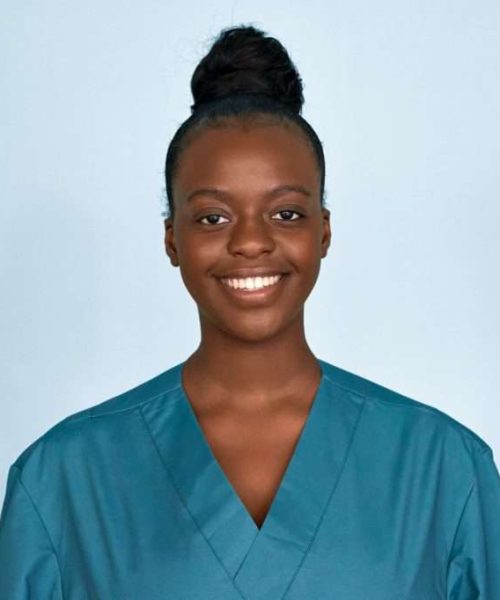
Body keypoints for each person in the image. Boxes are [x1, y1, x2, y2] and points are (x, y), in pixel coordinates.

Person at [0, 24, 499, 600]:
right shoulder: (63, 481)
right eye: (213, 217)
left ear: (324, 231)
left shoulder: (442, 471)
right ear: (171, 240)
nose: (251, 242)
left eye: (286, 214)